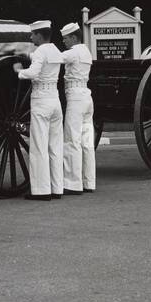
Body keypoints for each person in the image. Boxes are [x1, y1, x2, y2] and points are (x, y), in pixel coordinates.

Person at [17, 20, 64, 200]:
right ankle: (57, 187)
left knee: (39, 147)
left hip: (41, 101)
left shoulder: (40, 52)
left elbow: (34, 72)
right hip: (55, 101)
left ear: (39, 34)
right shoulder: (55, 50)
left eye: (32, 34)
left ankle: (41, 191)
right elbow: (43, 63)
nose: (31, 37)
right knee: (55, 146)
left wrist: (19, 72)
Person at [59, 22, 95, 195]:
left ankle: (73, 183)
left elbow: (54, 58)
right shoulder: (86, 51)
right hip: (87, 97)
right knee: (86, 142)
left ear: (73, 37)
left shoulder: (74, 53)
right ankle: (89, 182)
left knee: (72, 140)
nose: (63, 41)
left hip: (75, 98)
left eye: (65, 38)